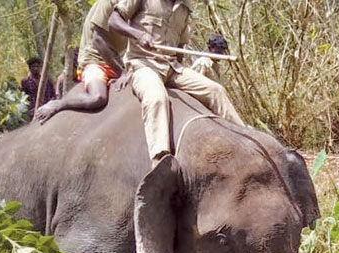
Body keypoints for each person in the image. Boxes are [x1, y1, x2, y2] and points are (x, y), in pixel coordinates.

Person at [109, 0, 245, 168]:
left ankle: (247, 138)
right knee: (157, 98)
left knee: (216, 90)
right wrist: (138, 34)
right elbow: (114, 20)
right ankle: (160, 159)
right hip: (143, 64)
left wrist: (181, 78)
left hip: (172, 67)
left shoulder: (185, 8)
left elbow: (180, 46)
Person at [34, 0, 127, 123]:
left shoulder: (134, 5)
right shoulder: (108, 3)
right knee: (98, 97)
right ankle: (60, 103)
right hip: (95, 60)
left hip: (119, 60)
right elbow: (97, 40)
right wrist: (122, 73)